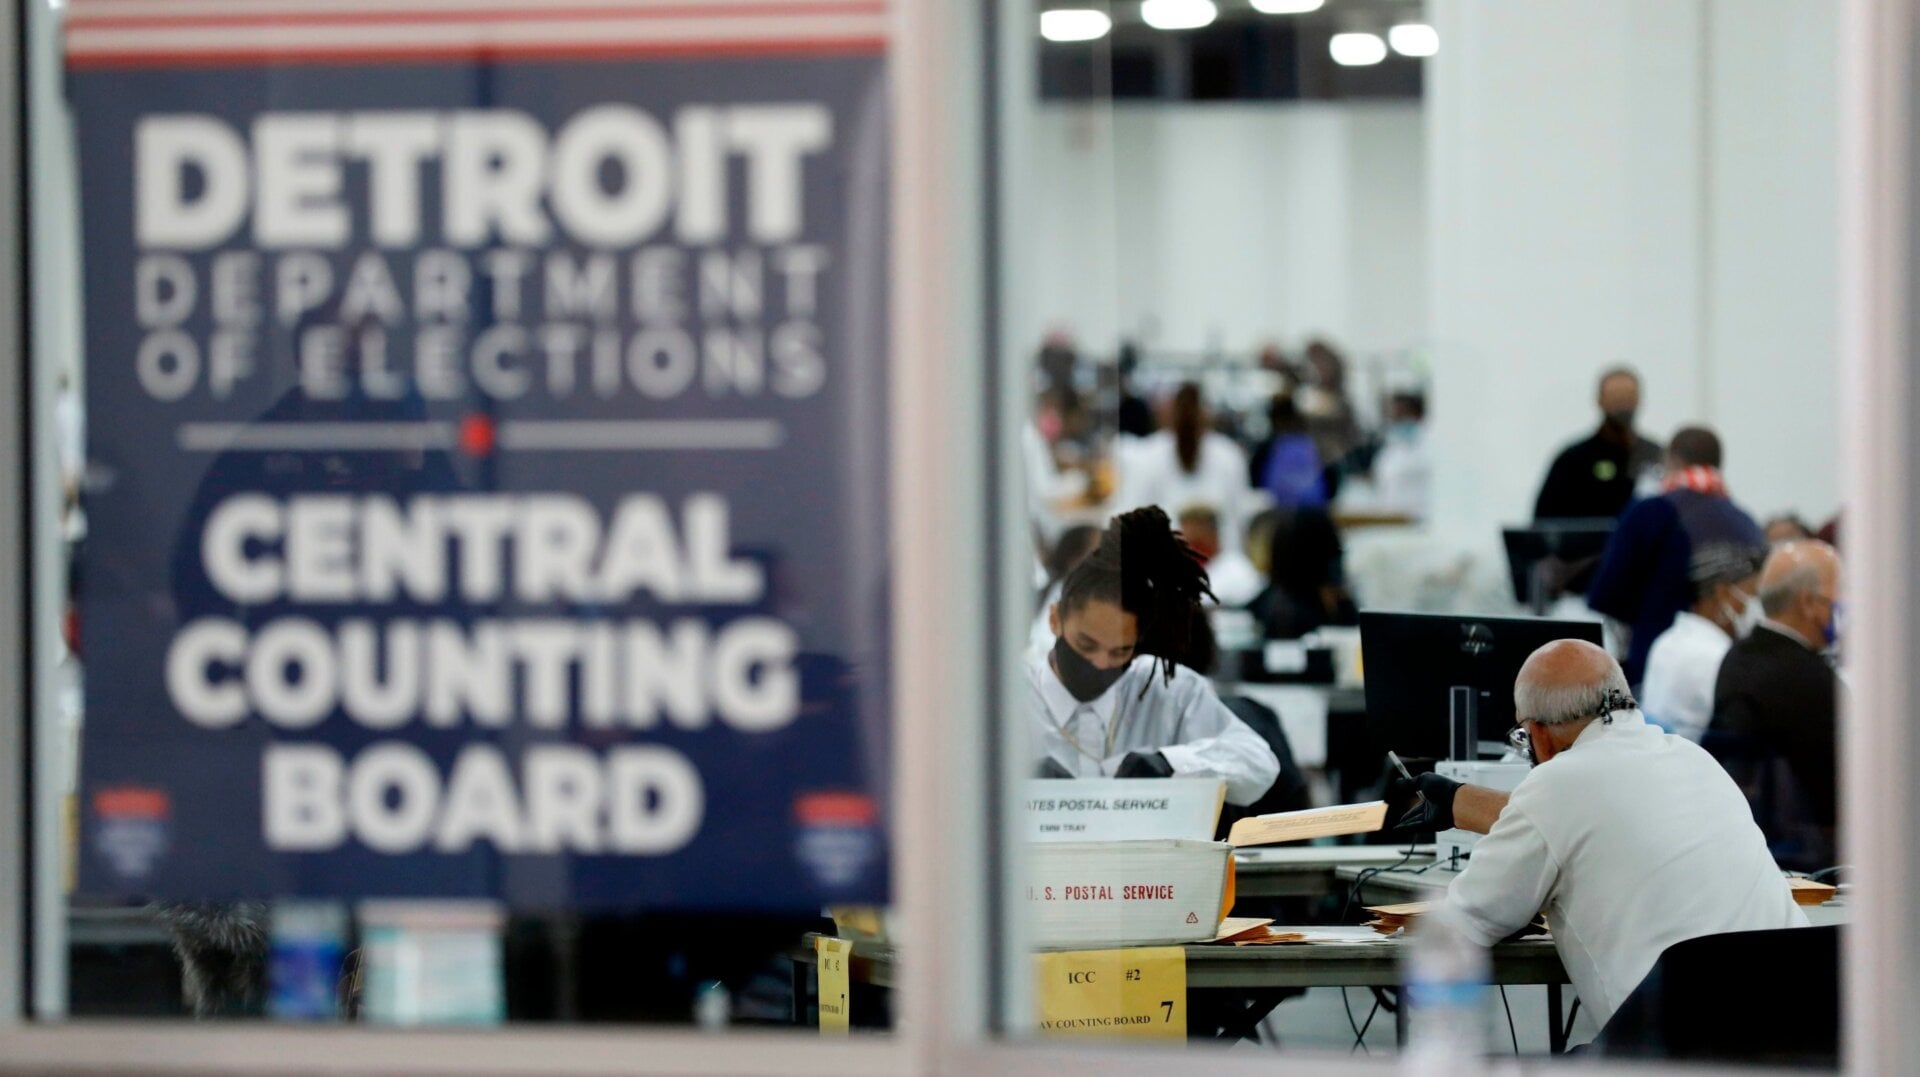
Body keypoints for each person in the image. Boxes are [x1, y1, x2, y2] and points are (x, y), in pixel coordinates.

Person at [1392, 640, 1807, 1041]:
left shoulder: (1555, 785)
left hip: (1675, 1046)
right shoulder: (1694, 757)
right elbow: (1605, 815)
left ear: (1537, 734)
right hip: (1801, 1031)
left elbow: (1465, 921)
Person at [1026, 507, 1279, 806]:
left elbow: (1258, 764)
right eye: (1086, 644)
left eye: (1119, 650)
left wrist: (1171, 763)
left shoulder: (1166, 689)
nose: (1100, 663)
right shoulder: (1012, 694)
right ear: (1055, 620)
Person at [1587, 425, 1764, 685]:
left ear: (1672, 459)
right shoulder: (1746, 522)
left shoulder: (1652, 511)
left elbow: (1605, 594)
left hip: (1658, 668)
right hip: (1729, 670)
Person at [1706, 540, 1843, 872]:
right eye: (1840, 596)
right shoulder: (1816, 683)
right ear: (1810, 603)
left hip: (1750, 846)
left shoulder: (1735, 657)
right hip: (1817, 858)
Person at [1639, 546, 1766, 741]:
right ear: (1723, 593)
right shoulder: (1715, 657)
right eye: (1753, 594)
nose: (1757, 606)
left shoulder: (1667, 640)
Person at [1116, 383, 1253, 555]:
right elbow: (1241, 520)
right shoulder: (1229, 454)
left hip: (1211, 560)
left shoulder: (1147, 455)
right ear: (1207, 414)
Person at [1533, 368, 1664, 521]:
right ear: (1600, 401)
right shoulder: (1572, 461)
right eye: (1616, 399)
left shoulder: (1657, 455)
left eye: (1627, 398)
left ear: (1638, 400)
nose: (1622, 406)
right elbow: (1545, 524)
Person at [1245, 394, 1326, 509]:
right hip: (1311, 515)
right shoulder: (1316, 446)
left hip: (1282, 515)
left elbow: (1254, 484)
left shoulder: (1268, 448)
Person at [1176, 505, 1262, 608]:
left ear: (1212, 532)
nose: (1188, 538)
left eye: (1196, 533)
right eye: (1184, 531)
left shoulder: (1238, 570)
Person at [1367, 390, 1431, 521]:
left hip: (1421, 520)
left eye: (1402, 414)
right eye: (1394, 416)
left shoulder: (1430, 445)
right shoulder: (1391, 449)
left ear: (1419, 415)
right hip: (1392, 521)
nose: (1397, 420)